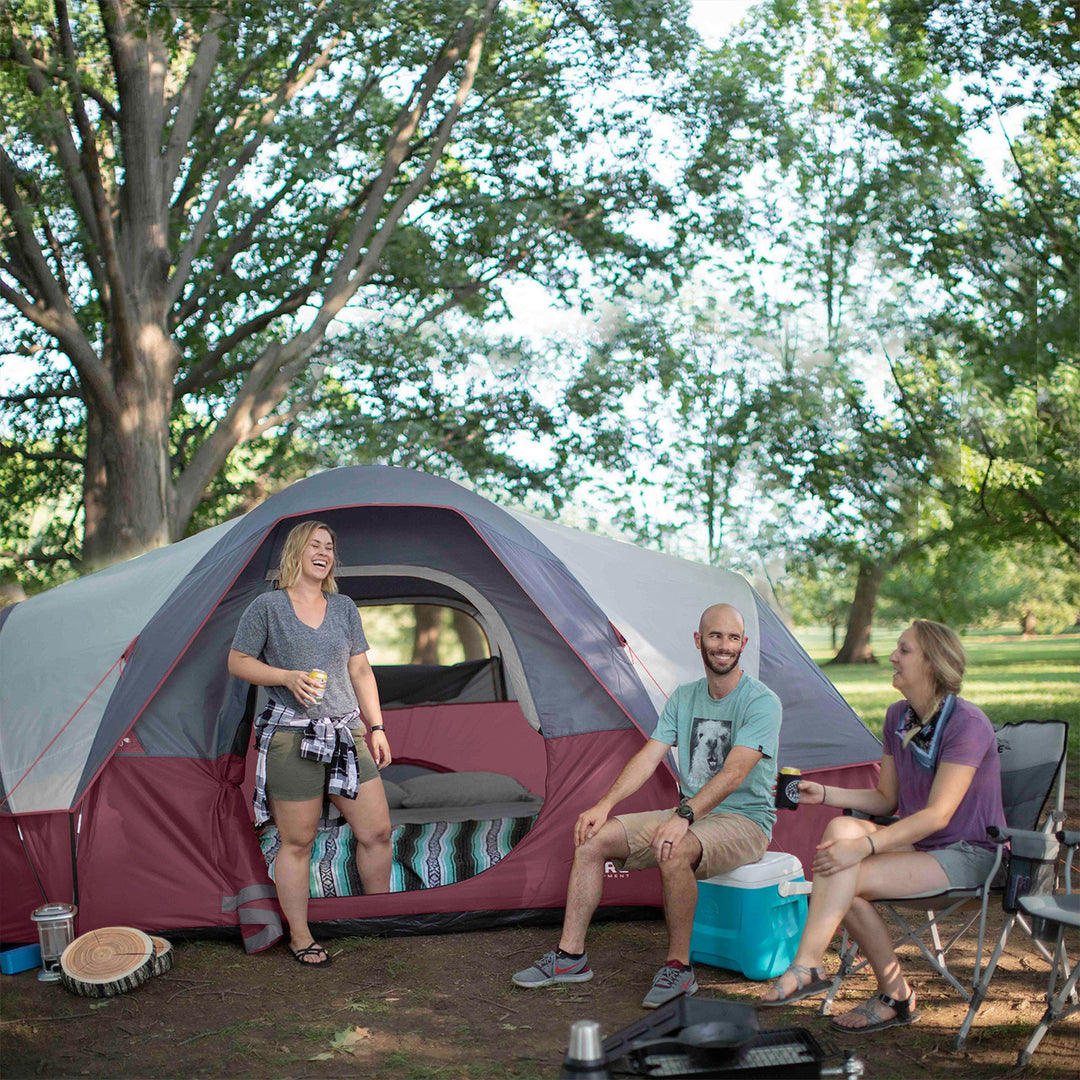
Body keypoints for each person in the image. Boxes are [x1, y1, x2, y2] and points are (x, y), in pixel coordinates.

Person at [512, 603, 781, 1009]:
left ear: (742, 644)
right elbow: (648, 756)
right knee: (592, 840)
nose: (723, 646)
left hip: (745, 821)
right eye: (714, 636)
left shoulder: (761, 702)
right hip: (692, 815)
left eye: (731, 638)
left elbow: (734, 774)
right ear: (699, 640)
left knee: (673, 848)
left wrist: (683, 817)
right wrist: (604, 805)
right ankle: (570, 958)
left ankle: (679, 968)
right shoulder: (685, 697)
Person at [759, 619, 1006, 1033]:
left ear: (932, 663)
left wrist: (867, 847)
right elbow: (885, 800)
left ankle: (818, 969)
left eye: (904, 650)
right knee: (841, 839)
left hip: (970, 853)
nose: (892, 656)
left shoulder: (968, 724)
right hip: (921, 845)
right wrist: (826, 793)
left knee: (846, 872)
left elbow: (937, 815)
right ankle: (876, 988)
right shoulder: (899, 717)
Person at [228, 520, 392, 966]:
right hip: (291, 737)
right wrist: (285, 677)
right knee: (297, 842)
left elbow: (360, 671)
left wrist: (376, 728)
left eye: (330, 547)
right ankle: (300, 937)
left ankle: (381, 921)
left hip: (346, 733)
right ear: (297, 552)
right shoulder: (268, 607)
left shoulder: (343, 608)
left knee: (377, 832)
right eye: (315, 545)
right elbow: (237, 660)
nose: (324, 552)